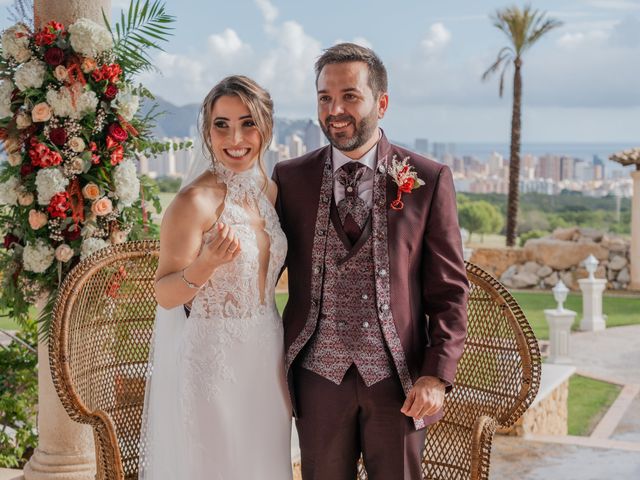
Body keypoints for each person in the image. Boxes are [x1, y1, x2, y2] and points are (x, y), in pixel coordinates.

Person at [272, 43, 469, 479]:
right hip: (316, 377)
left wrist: (436, 376)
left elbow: (450, 292)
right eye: (324, 97)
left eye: (349, 96)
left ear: (381, 102)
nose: (334, 109)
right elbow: (261, 268)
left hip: (399, 382)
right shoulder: (289, 178)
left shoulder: (427, 179)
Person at [139, 75, 292, 480]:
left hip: (268, 357)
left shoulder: (270, 194)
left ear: (267, 128)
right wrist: (204, 265)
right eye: (221, 124)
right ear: (207, 131)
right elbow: (165, 295)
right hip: (213, 361)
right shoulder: (192, 202)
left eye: (248, 123)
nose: (235, 137)